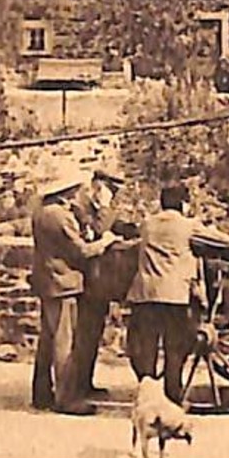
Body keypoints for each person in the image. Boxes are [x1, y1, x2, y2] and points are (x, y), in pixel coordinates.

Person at [126, 185, 228, 407]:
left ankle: (146, 398)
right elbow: (223, 241)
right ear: (183, 204)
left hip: (145, 294)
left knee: (147, 350)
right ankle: (173, 397)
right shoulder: (188, 226)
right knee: (175, 349)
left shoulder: (147, 224)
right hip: (174, 296)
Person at [30, 169, 119, 415]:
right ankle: (66, 400)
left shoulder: (42, 212)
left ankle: (42, 394)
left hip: (48, 282)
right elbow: (82, 252)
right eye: (75, 190)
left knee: (47, 341)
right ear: (66, 193)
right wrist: (106, 242)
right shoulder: (60, 216)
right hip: (62, 284)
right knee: (64, 342)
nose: (78, 193)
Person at [72, 166, 134, 399]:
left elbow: (115, 225)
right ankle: (76, 388)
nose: (114, 194)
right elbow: (98, 230)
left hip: (98, 284)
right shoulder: (81, 207)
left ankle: (85, 384)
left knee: (92, 334)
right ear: (99, 185)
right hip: (83, 280)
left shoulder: (99, 207)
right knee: (83, 336)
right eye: (111, 188)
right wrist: (106, 206)